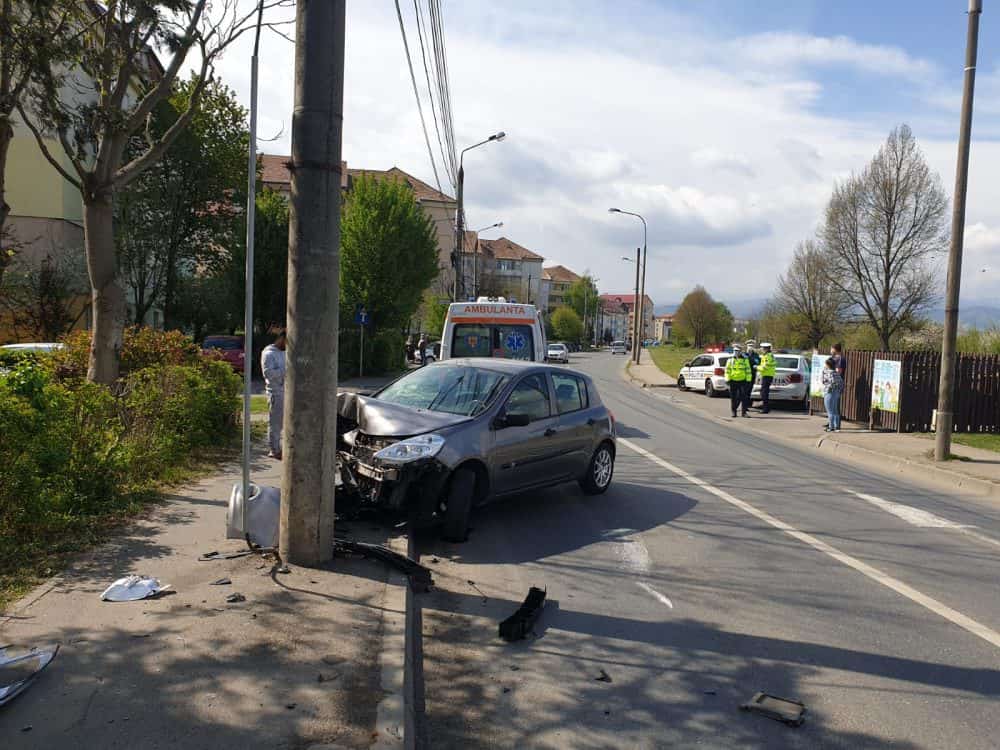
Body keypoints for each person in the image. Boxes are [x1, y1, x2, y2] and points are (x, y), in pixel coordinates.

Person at [261, 328, 287, 460]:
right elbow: (268, 374)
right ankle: (274, 449)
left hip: (287, 391)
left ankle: (285, 448)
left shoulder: (285, 352)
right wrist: (286, 371)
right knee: (275, 423)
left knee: (287, 423)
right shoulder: (268, 354)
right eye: (287, 341)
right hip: (276, 393)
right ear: (281, 339)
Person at [725, 343, 752, 418]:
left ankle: (744, 413)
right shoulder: (730, 360)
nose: (736, 352)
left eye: (737, 351)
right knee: (733, 397)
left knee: (744, 397)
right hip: (733, 381)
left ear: (740, 351)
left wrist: (748, 380)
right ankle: (734, 412)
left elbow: (748, 370)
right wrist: (727, 379)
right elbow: (727, 370)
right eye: (735, 351)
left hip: (743, 381)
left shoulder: (745, 360)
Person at [822, 356, 844, 432]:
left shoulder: (827, 372)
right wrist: (839, 390)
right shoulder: (836, 373)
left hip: (829, 393)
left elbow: (824, 382)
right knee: (835, 410)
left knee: (829, 411)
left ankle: (831, 427)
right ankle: (837, 427)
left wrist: (829, 387)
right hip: (836, 393)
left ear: (828, 365)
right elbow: (841, 383)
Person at [758, 342, 776, 414]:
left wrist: (757, 367)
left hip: (767, 376)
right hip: (767, 375)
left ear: (766, 349)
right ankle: (766, 408)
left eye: (762, 348)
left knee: (764, 393)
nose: (761, 349)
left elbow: (764, 367)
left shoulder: (767, 356)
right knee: (764, 392)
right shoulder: (769, 355)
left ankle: (766, 409)